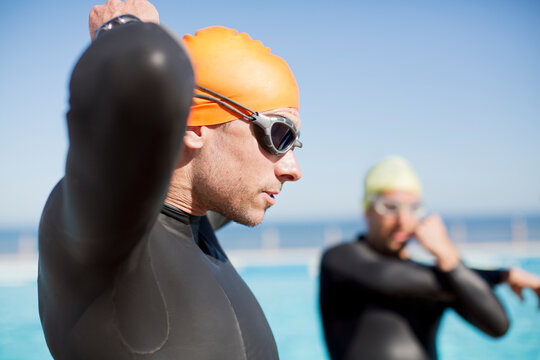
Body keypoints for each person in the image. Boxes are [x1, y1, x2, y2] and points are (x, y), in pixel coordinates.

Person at [38, 0, 302, 359]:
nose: (293, 169)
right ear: (195, 127)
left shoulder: (197, 223)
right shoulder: (97, 235)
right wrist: (125, 32)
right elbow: (146, 67)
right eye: (280, 135)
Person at [319, 156, 540, 360]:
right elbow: (389, 277)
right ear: (367, 210)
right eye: (389, 207)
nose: (403, 220)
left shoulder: (445, 274)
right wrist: (498, 274)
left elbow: (498, 325)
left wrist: (449, 257)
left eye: (413, 208)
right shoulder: (340, 260)